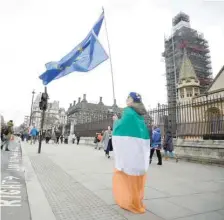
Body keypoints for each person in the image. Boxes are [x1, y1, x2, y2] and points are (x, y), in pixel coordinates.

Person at [112, 92, 150, 214]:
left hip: (130, 154)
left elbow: (121, 128)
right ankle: (136, 201)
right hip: (138, 153)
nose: (126, 99)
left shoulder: (128, 112)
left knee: (125, 175)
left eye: (128, 98)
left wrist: (116, 121)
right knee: (136, 179)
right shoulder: (140, 115)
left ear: (133, 101)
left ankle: (130, 202)